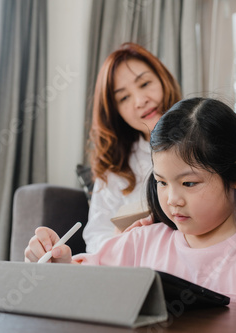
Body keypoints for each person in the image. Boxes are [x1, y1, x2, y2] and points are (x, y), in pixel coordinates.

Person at [25, 97, 236, 310]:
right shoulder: (139, 243)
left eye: (189, 183)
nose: (172, 199)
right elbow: (82, 288)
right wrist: (57, 264)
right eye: (162, 182)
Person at [83, 42, 181, 253]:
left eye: (144, 84)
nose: (140, 101)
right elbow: (96, 237)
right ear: (115, 111)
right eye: (124, 97)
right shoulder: (115, 167)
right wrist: (121, 241)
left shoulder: (211, 131)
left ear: (163, 80)